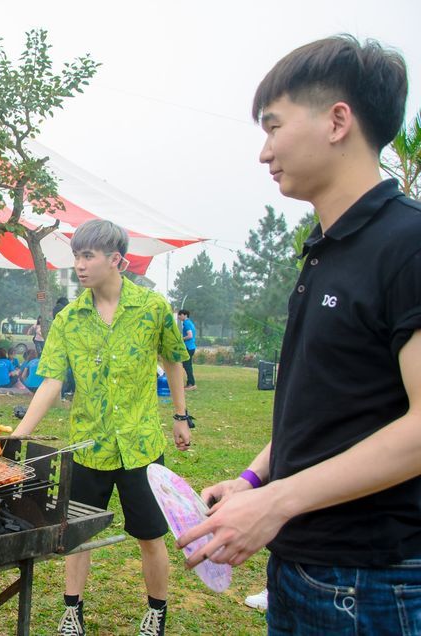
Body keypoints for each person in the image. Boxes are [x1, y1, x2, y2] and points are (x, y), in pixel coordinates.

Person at [177, 36, 421, 634]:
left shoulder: (408, 244)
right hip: (302, 566)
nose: (264, 152)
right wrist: (253, 481)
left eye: (274, 126)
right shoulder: (325, 249)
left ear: (337, 121)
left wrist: (276, 502)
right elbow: (329, 408)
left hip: (371, 582)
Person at [11, 219, 191, 636]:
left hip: (141, 445)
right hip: (88, 446)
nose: (79, 264)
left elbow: (173, 360)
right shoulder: (69, 319)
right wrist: (19, 436)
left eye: (88, 256)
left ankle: (156, 613)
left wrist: (180, 416)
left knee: (150, 536)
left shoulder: (152, 308)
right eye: (76, 256)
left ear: (116, 260)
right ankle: (72, 611)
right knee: (76, 535)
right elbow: (51, 381)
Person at [176, 309, 197, 390]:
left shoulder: (186, 323)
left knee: (187, 366)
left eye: (180, 315)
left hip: (188, 347)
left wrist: (181, 339)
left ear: (185, 315)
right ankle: (190, 383)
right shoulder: (190, 322)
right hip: (191, 347)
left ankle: (191, 384)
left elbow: (190, 335)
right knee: (187, 365)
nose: (178, 317)